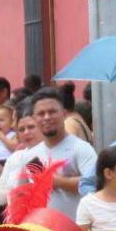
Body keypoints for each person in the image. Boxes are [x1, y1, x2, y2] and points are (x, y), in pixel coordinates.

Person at [22, 88, 97, 218]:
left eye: (52, 112)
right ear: (34, 118)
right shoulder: (30, 156)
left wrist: (59, 182)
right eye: (41, 113)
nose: (47, 117)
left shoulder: (81, 149)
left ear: (64, 113)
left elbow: (95, 184)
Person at [0, 101, 42, 218]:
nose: (26, 132)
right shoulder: (16, 157)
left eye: (31, 127)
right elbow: (1, 193)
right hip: (18, 222)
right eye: (22, 129)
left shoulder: (50, 154)